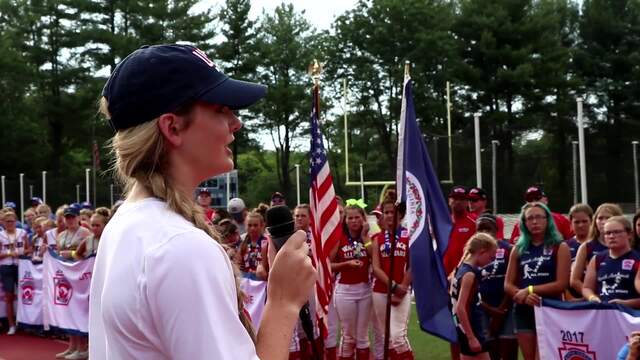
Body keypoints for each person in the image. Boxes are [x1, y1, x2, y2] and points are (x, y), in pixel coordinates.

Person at [90, 44, 315, 359]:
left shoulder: (126, 224)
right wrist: (283, 302)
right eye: (221, 109)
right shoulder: (180, 246)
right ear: (173, 127)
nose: (236, 123)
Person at [504, 202, 570, 360]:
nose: (534, 222)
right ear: (524, 223)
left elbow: (562, 284)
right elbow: (508, 284)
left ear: (547, 220)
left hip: (549, 309)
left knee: (544, 357)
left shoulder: (560, 247)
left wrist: (530, 290)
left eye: (539, 217)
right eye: (530, 218)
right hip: (523, 310)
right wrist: (522, 296)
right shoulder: (518, 249)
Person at [371, 199, 413, 360]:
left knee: (398, 337)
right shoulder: (377, 238)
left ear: (400, 214)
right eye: (386, 212)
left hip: (402, 291)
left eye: (392, 212)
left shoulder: (408, 236)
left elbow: (413, 265)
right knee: (387, 338)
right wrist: (394, 286)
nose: (389, 215)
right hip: (380, 292)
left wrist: (402, 287)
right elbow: (376, 267)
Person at [330, 203, 372, 360]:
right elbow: (328, 265)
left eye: (357, 217)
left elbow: (374, 258)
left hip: (365, 290)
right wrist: (346, 264)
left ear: (363, 218)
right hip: (345, 290)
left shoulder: (367, 236)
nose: (354, 221)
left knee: (362, 336)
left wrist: (365, 238)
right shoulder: (339, 237)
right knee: (348, 336)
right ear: (345, 220)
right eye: (350, 218)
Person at [475, 214, 518, 360]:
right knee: (489, 351)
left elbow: (514, 280)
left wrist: (501, 310)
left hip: (507, 307)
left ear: (495, 229)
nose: (485, 233)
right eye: (481, 229)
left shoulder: (508, 249)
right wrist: (490, 310)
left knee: (509, 351)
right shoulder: (470, 254)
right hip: (483, 309)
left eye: (488, 229)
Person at [450, 233, 497, 360]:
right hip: (471, 328)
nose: (490, 261)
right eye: (490, 257)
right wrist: (471, 337)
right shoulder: (469, 275)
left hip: (464, 327)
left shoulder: (460, 268)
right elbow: (460, 307)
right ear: (482, 252)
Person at [582, 216, 640, 308]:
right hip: (604, 312)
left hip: (631, 316)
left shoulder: (637, 258)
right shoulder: (597, 259)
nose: (611, 236)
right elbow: (587, 288)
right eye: (608, 233)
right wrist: (592, 297)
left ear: (629, 234)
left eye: (616, 232)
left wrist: (626, 303)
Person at [570, 203, 623, 295]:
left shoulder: (628, 245)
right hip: (595, 302)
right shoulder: (586, 247)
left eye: (608, 218)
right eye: (600, 218)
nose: (603, 222)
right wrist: (592, 296)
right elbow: (574, 280)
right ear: (595, 221)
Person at [509, 186, 573, 243]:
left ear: (546, 200)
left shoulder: (561, 220)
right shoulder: (521, 223)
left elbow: (572, 242)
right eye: (530, 199)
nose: (534, 201)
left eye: (537, 198)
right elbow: (511, 246)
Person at [0, 210, 28, 335]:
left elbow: (29, 248)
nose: (10, 223)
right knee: (9, 296)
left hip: (21, 266)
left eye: (12, 221)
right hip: (6, 267)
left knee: (25, 295)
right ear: (3, 223)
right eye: (7, 221)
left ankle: (24, 322)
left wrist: (22, 252)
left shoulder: (22, 233)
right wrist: (8, 253)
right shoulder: (1, 235)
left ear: (16, 221)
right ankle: (11, 325)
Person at [444, 186, 477, 275]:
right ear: (449, 201)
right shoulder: (441, 223)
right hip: (443, 275)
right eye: (455, 198)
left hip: (465, 274)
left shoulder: (475, 222)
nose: (458, 202)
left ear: (467, 202)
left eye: (462, 199)